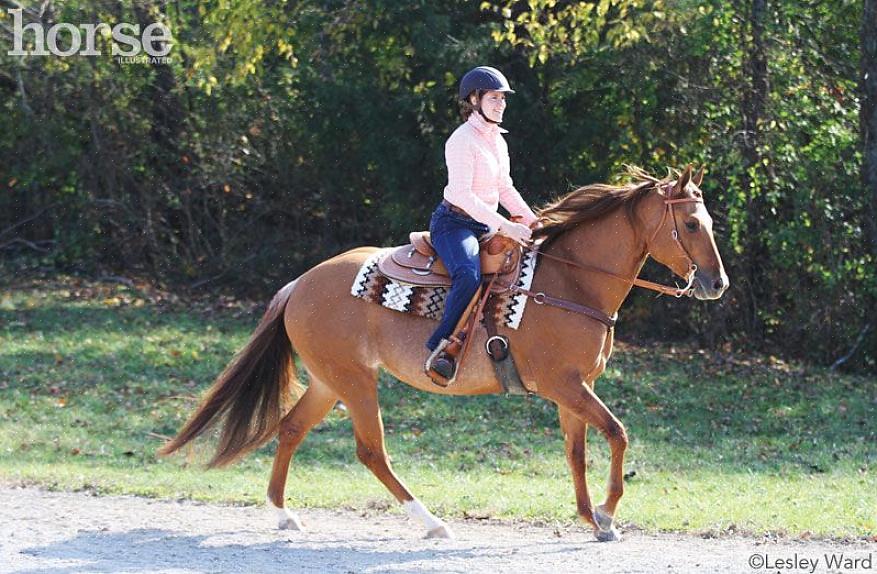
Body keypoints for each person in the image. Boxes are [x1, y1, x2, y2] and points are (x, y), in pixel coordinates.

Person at [424, 66, 540, 380]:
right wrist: (507, 226)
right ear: (474, 99)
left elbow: (505, 188)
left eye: (503, 98)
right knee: (467, 274)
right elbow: (463, 195)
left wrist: (534, 222)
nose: (501, 104)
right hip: (455, 223)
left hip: (485, 225)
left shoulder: (498, 141)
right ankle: (439, 345)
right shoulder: (461, 141)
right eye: (493, 97)